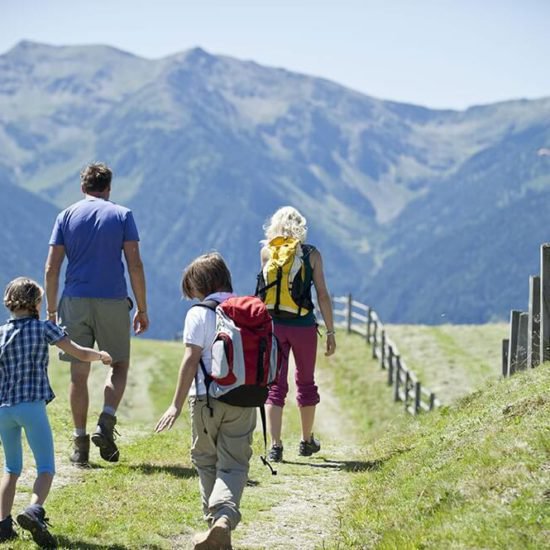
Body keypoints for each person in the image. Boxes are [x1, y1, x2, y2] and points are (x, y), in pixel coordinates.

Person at [44, 162, 149, 466]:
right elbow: (135, 265)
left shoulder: (65, 216)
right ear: (109, 188)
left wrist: (51, 309)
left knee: (79, 372)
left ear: (83, 187)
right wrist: (142, 308)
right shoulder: (122, 215)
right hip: (113, 299)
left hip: (74, 299)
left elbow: (52, 268)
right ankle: (106, 421)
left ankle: (80, 445)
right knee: (117, 364)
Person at [0, 277, 112, 547]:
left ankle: (3, 526)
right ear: (36, 303)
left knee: (11, 467)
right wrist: (100, 355)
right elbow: (77, 352)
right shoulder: (43, 328)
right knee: (46, 468)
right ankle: (34, 511)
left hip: (3, 410)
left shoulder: (1, 332)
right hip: (31, 406)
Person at [155, 253, 255, 550]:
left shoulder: (198, 313)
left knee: (206, 461)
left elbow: (190, 359)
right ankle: (223, 524)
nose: (193, 297)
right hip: (245, 397)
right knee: (234, 465)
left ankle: (217, 523)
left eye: (194, 291)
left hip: (206, 398)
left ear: (201, 285)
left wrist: (175, 403)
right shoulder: (248, 310)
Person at [259, 206, 336, 463]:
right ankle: (306, 441)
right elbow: (322, 294)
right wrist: (331, 331)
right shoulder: (312, 254)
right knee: (306, 381)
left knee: (275, 385)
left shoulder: (267, 252)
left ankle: (275, 446)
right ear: (301, 226)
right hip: (303, 325)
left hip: (274, 327)